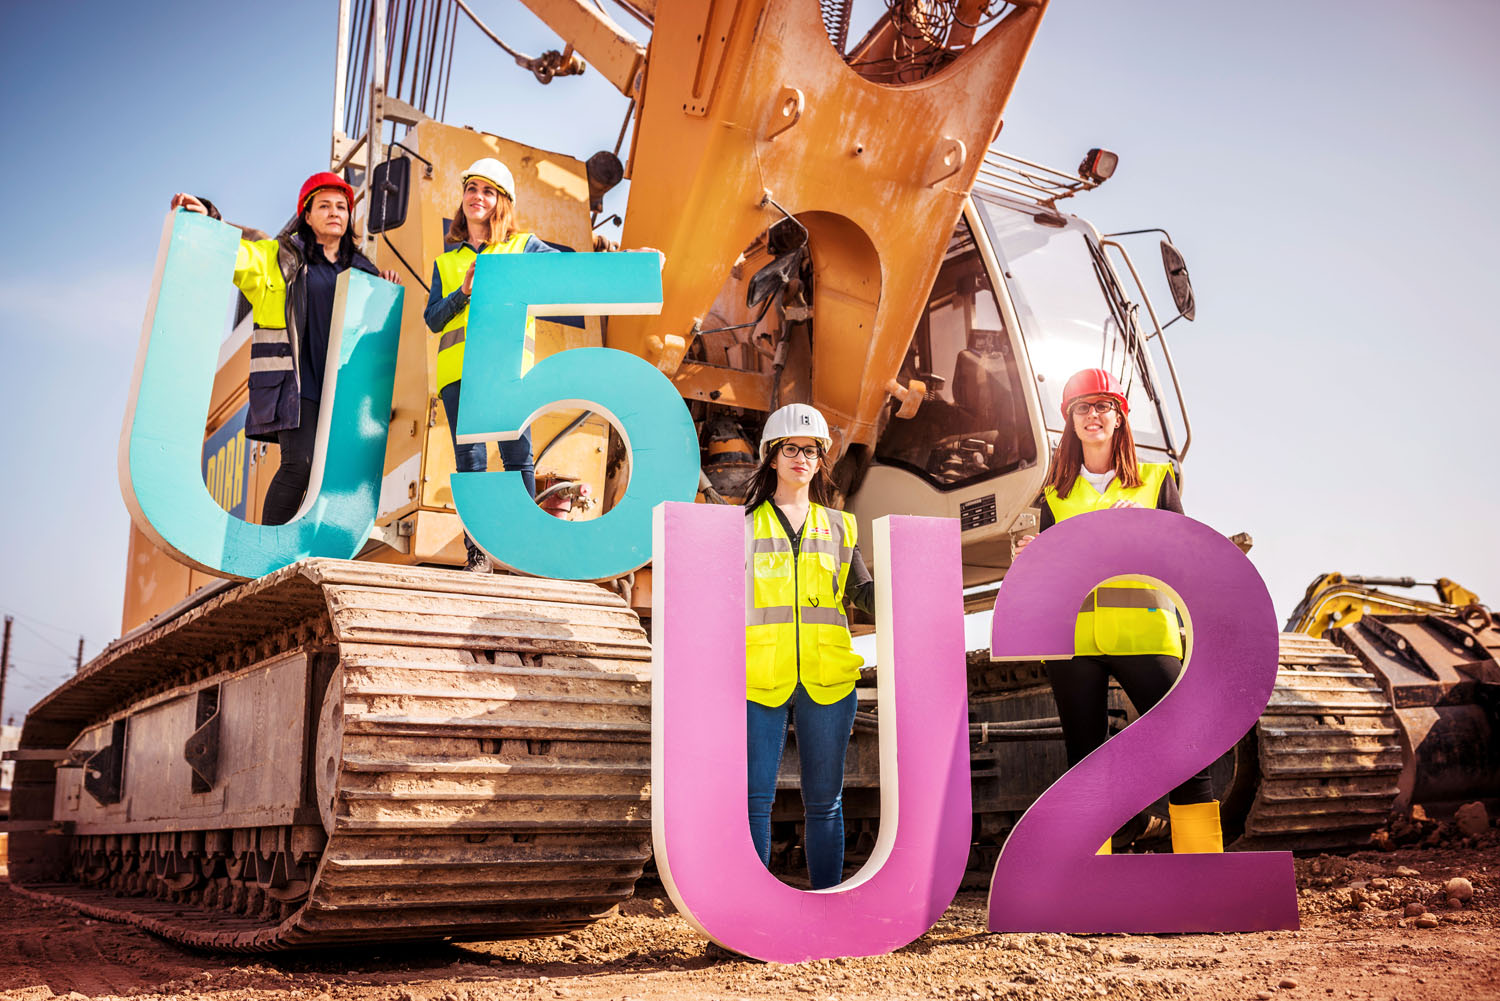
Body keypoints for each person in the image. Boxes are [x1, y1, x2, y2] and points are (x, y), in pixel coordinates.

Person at [1013, 368, 1222, 855]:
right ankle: (1093, 875)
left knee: (1186, 750)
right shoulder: (1055, 496)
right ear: (1070, 421)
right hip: (1074, 644)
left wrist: (1146, 535)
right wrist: (1032, 555)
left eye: (1103, 405)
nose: (1093, 415)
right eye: (1082, 408)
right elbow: (1047, 577)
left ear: (1120, 416)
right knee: (1083, 761)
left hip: (1147, 636)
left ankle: (1203, 866)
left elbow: (1188, 558)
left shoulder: (1155, 481)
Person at [170, 175, 399, 525]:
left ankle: (319, 543)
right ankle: (268, 547)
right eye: (324, 205)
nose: (334, 213)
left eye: (342, 207)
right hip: (297, 385)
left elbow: (376, 334)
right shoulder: (279, 257)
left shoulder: (364, 272)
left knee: (337, 477)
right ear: (306, 216)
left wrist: (385, 292)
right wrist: (210, 219)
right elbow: (238, 254)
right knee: (300, 466)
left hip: (343, 392)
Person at [743, 403, 875, 889]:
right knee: (755, 797)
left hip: (828, 677)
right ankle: (753, 904)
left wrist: (919, 592)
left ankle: (827, 901)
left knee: (825, 801)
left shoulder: (840, 525)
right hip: (759, 676)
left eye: (812, 450)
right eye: (791, 448)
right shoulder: (742, 527)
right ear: (772, 458)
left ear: (821, 461)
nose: (802, 457)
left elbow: (864, 594)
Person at [424, 157, 567, 571]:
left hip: (506, 372)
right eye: (472, 188)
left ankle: (522, 548)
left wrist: (627, 258)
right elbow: (433, 319)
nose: (477, 197)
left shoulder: (522, 247)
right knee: (471, 463)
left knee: (517, 458)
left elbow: (569, 270)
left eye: (488, 191)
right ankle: (478, 555)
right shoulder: (447, 263)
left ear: (502, 201)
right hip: (459, 378)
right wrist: (463, 291)